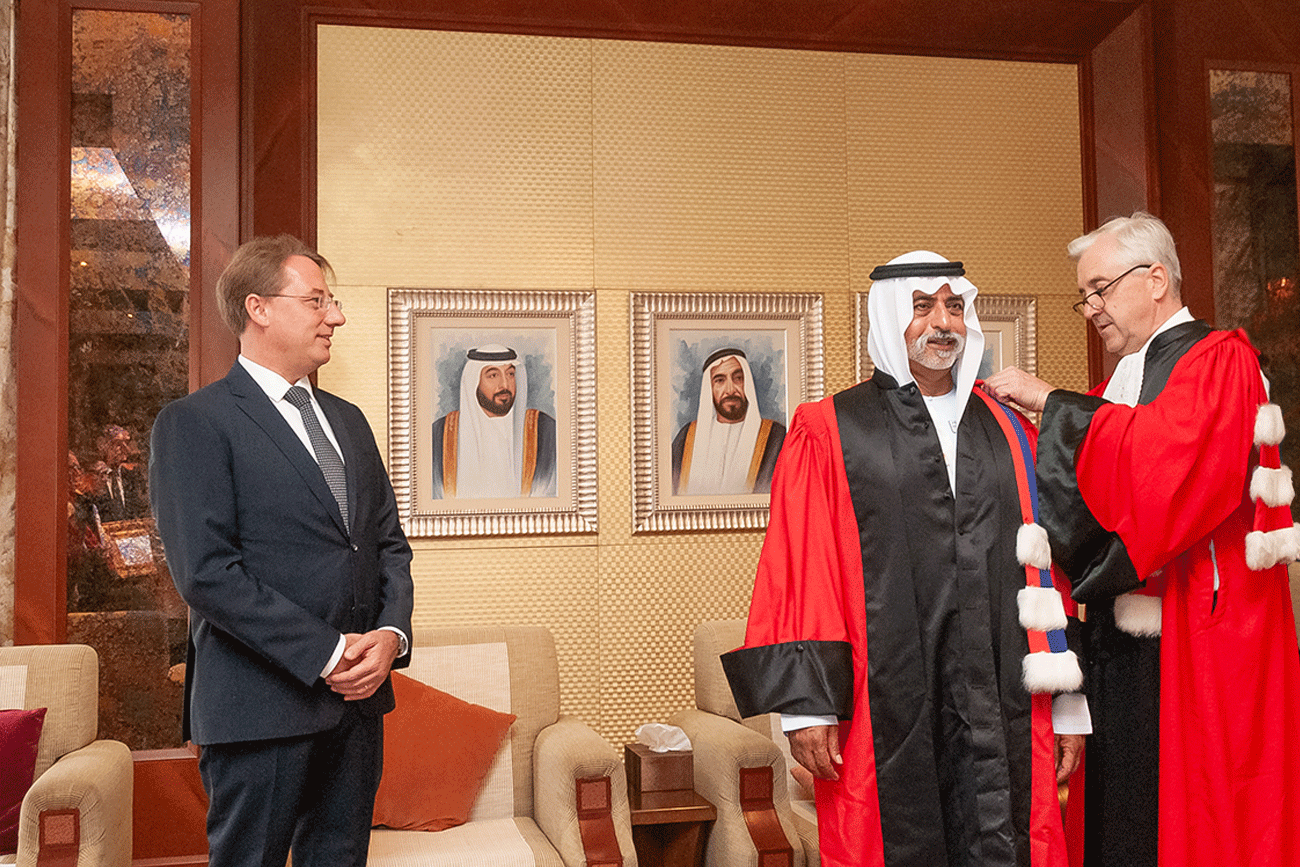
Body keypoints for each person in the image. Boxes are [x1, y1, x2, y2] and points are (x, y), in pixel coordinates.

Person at [722, 250, 1086, 867]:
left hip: (1004, 697)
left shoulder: (1010, 429)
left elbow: (1051, 569)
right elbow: (804, 567)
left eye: (954, 307)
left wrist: (1069, 705)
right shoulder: (832, 429)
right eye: (922, 306)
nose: (942, 322)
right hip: (883, 701)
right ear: (891, 317)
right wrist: (808, 708)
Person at [983, 211, 1300, 867]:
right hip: (1122, 643)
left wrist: (1051, 401)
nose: (1091, 307)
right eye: (1084, 295)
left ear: (1156, 279)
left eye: (1100, 288)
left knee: (1197, 824)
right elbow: (1081, 490)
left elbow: (1167, 467)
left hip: (1202, 636)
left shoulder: (1221, 359)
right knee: (1126, 822)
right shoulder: (1120, 381)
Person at [150, 234, 415, 867]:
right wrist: (328, 653)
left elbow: (386, 545)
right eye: (317, 300)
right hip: (257, 712)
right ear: (259, 308)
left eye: (333, 301)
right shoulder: (195, 422)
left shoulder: (349, 420)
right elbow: (207, 575)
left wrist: (390, 635)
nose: (336, 316)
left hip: (356, 711)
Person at [430, 344, 557, 498]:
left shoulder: (545, 430)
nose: (505, 385)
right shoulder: (441, 434)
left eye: (510, 374)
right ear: (473, 382)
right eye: (493, 375)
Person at [671, 347, 787, 495]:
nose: (730, 390)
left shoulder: (775, 437)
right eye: (720, 380)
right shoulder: (687, 438)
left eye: (738, 378)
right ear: (709, 388)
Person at [93, 423, 148, 520]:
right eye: (118, 444)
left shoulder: (133, 477)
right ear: (103, 446)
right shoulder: (93, 480)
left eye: (126, 443)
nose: (127, 449)